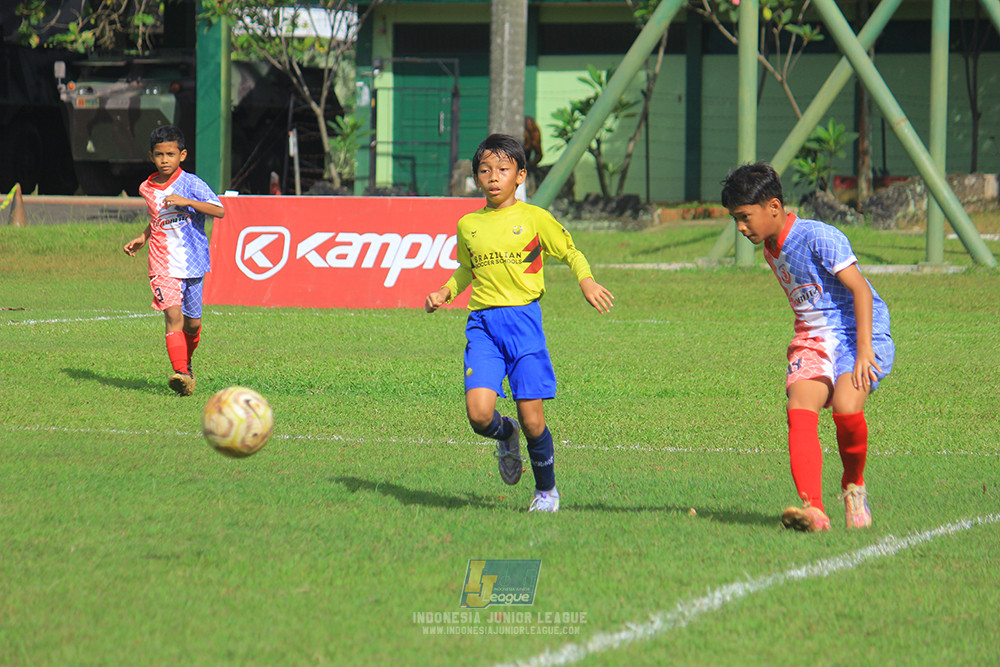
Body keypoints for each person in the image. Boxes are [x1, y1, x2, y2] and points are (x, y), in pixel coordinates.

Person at [425, 134, 615, 513]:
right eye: (485, 170)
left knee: (534, 421)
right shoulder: (469, 225)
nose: (493, 177)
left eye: (503, 169)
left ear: (520, 176)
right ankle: (504, 433)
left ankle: (546, 491)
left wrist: (587, 280)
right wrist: (446, 291)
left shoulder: (534, 219)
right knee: (479, 415)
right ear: (477, 178)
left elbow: (570, 251)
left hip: (524, 323)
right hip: (482, 326)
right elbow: (468, 269)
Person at [721, 161, 894, 532]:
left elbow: (861, 291)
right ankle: (812, 509)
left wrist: (865, 350)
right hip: (812, 339)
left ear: (773, 207)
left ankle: (853, 487)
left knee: (847, 409)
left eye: (744, 216)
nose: (740, 227)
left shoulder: (819, 237)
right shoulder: (770, 247)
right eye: (735, 218)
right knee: (800, 406)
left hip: (857, 332)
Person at [123, 125, 226, 396]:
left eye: (170, 154)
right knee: (173, 316)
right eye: (159, 155)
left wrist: (186, 201)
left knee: (192, 324)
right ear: (151, 156)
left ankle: (187, 361)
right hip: (162, 264)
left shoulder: (191, 183)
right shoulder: (146, 187)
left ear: (182, 155)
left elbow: (220, 210)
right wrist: (143, 237)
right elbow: (157, 220)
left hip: (193, 263)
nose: (164, 160)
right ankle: (181, 373)